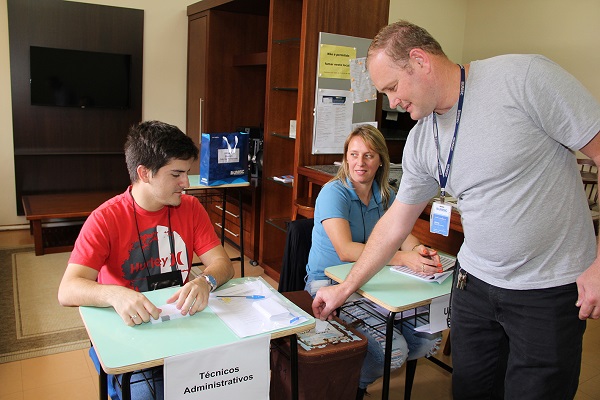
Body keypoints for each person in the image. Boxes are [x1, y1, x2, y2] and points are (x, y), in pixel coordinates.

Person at [312, 20, 600, 400]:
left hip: (545, 290)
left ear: (419, 60)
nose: (392, 102)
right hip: (475, 287)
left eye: (393, 88)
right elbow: (396, 221)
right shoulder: (420, 139)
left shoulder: (524, 78)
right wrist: (345, 289)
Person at [58, 120, 234, 400]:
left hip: (181, 324)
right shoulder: (105, 218)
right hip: (132, 335)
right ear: (144, 173)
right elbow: (67, 290)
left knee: (227, 382)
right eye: (176, 174)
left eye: (186, 173)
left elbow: (224, 264)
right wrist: (116, 295)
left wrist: (205, 281)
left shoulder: (190, 207)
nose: (185, 183)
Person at [305, 124, 442, 398]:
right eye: (353, 154)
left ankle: (357, 375)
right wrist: (403, 257)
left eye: (368, 155)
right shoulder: (335, 192)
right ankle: (352, 387)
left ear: (381, 160)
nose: (360, 162)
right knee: (394, 352)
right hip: (330, 283)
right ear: (345, 158)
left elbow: (403, 234)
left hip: (374, 281)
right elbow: (345, 250)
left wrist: (420, 250)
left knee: (429, 339)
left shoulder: (385, 194)